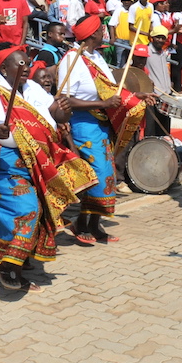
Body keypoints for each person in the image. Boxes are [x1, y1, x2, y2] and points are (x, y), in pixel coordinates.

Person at [0, 47, 95, 292]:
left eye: (27, 63)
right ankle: (7, 265)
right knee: (26, 209)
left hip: (32, 160)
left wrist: (62, 109)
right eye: (19, 64)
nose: (26, 68)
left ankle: (13, 253)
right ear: (4, 68)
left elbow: (52, 114)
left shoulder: (33, 89)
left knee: (42, 206)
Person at [57, 15, 150, 244]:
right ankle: (81, 223)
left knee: (105, 174)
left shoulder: (97, 57)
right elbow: (64, 100)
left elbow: (111, 92)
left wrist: (136, 96)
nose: (104, 33)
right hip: (82, 125)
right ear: (92, 35)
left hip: (101, 123)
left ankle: (94, 225)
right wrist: (102, 105)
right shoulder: (72, 60)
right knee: (95, 176)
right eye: (100, 30)